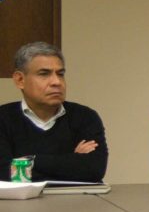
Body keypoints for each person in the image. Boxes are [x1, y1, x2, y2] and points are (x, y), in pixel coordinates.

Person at [0, 42, 108, 182]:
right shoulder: (3, 119)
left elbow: (94, 169)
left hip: (77, 201)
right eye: (44, 74)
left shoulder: (85, 117)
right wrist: (72, 159)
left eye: (60, 74)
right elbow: (3, 173)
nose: (56, 82)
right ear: (20, 80)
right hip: (20, 203)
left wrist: (30, 161)